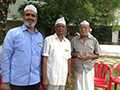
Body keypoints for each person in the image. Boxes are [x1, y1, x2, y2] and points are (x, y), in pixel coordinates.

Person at [0, 4, 44, 90]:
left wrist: (41, 78)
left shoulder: (40, 37)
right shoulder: (13, 33)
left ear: (36, 18)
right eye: (27, 14)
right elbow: (5, 57)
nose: (30, 17)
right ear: (23, 16)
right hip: (16, 82)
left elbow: (40, 59)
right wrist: (5, 81)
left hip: (34, 82)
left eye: (33, 15)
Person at [42, 17, 71, 90]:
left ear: (65, 28)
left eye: (62, 26)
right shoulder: (48, 40)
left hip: (62, 78)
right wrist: (44, 77)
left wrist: (69, 76)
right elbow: (44, 59)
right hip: (51, 78)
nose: (60, 28)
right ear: (55, 28)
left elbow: (68, 60)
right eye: (58, 26)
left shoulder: (67, 42)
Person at [71, 20, 101, 90]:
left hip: (89, 68)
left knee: (89, 86)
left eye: (85, 28)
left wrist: (89, 57)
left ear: (88, 29)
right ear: (79, 29)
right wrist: (76, 55)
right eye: (81, 28)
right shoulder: (74, 40)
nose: (83, 30)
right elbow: (70, 53)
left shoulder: (93, 40)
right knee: (79, 86)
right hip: (78, 68)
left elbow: (97, 55)